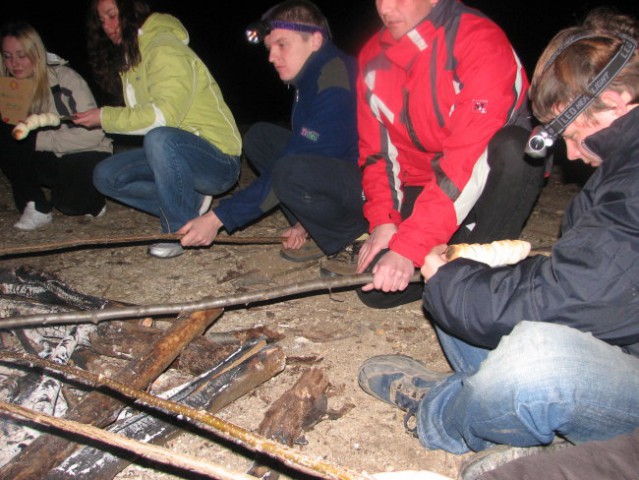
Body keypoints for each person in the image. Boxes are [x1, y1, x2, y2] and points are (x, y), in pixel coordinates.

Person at [356, 5, 639, 470]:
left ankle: (444, 410)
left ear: (617, 99)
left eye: (569, 134)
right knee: (478, 287)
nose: (567, 154)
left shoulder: (474, 41)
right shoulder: (618, 166)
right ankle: (500, 410)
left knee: (533, 359)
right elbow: (589, 275)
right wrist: (438, 255)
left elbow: (582, 292)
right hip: (615, 338)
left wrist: (448, 278)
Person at [321, 0, 546, 308]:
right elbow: (377, 153)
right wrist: (385, 222)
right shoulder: (372, 59)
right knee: (374, 287)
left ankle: (480, 274)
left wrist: (410, 247)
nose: (386, 9)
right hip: (428, 182)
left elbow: (469, 155)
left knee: (514, 148)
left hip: (487, 174)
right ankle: (452, 256)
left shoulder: (478, 39)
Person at [179, 0, 367, 262]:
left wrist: (217, 218)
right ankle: (314, 228)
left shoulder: (335, 80)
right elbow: (310, 152)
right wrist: (307, 220)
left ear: (314, 40)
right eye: (269, 48)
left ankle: (353, 238)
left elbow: (309, 159)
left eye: (282, 45)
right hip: (341, 173)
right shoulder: (311, 76)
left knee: (289, 170)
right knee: (261, 137)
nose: (271, 57)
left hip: (370, 188)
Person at [74, 0, 242, 258]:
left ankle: (176, 230)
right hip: (176, 152)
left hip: (218, 160)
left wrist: (104, 116)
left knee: (159, 138)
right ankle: (188, 205)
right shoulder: (132, 57)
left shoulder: (164, 47)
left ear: (130, 11)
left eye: (112, 15)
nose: (108, 27)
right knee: (105, 175)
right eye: (102, 20)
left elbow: (163, 118)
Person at [0, 21, 112, 230]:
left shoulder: (65, 79)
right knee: (7, 133)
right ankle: (35, 205)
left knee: (69, 205)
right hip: (47, 158)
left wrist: (38, 140)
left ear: (36, 53)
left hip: (86, 152)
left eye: (22, 55)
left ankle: (94, 201)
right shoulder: (8, 90)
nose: (14, 63)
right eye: (7, 56)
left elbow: (94, 135)